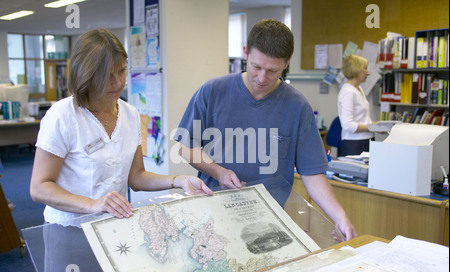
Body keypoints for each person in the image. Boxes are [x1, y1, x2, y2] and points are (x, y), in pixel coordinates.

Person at [174, 19, 357, 242]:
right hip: (214, 218)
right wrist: (218, 172)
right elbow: (186, 147)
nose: (262, 78)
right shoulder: (212, 91)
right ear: (245, 53)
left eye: (272, 71)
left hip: (268, 225)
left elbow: (312, 173)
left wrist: (340, 216)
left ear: (287, 63)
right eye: (256, 67)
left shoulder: (297, 106)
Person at [30, 28, 212, 226]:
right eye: (107, 75)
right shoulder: (62, 116)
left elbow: (136, 177)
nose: (117, 83)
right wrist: (93, 204)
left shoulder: (131, 114)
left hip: (113, 226)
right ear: (87, 74)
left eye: (122, 71)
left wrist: (179, 180)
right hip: (68, 227)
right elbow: (39, 188)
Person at [337, 54, 375, 157]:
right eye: (365, 69)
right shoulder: (348, 92)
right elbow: (348, 125)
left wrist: (378, 126)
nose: (368, 72)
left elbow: (363, 119)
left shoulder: (359, 89)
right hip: (354, 145)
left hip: (366, 141)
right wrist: (372, 127)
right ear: (356, 70)